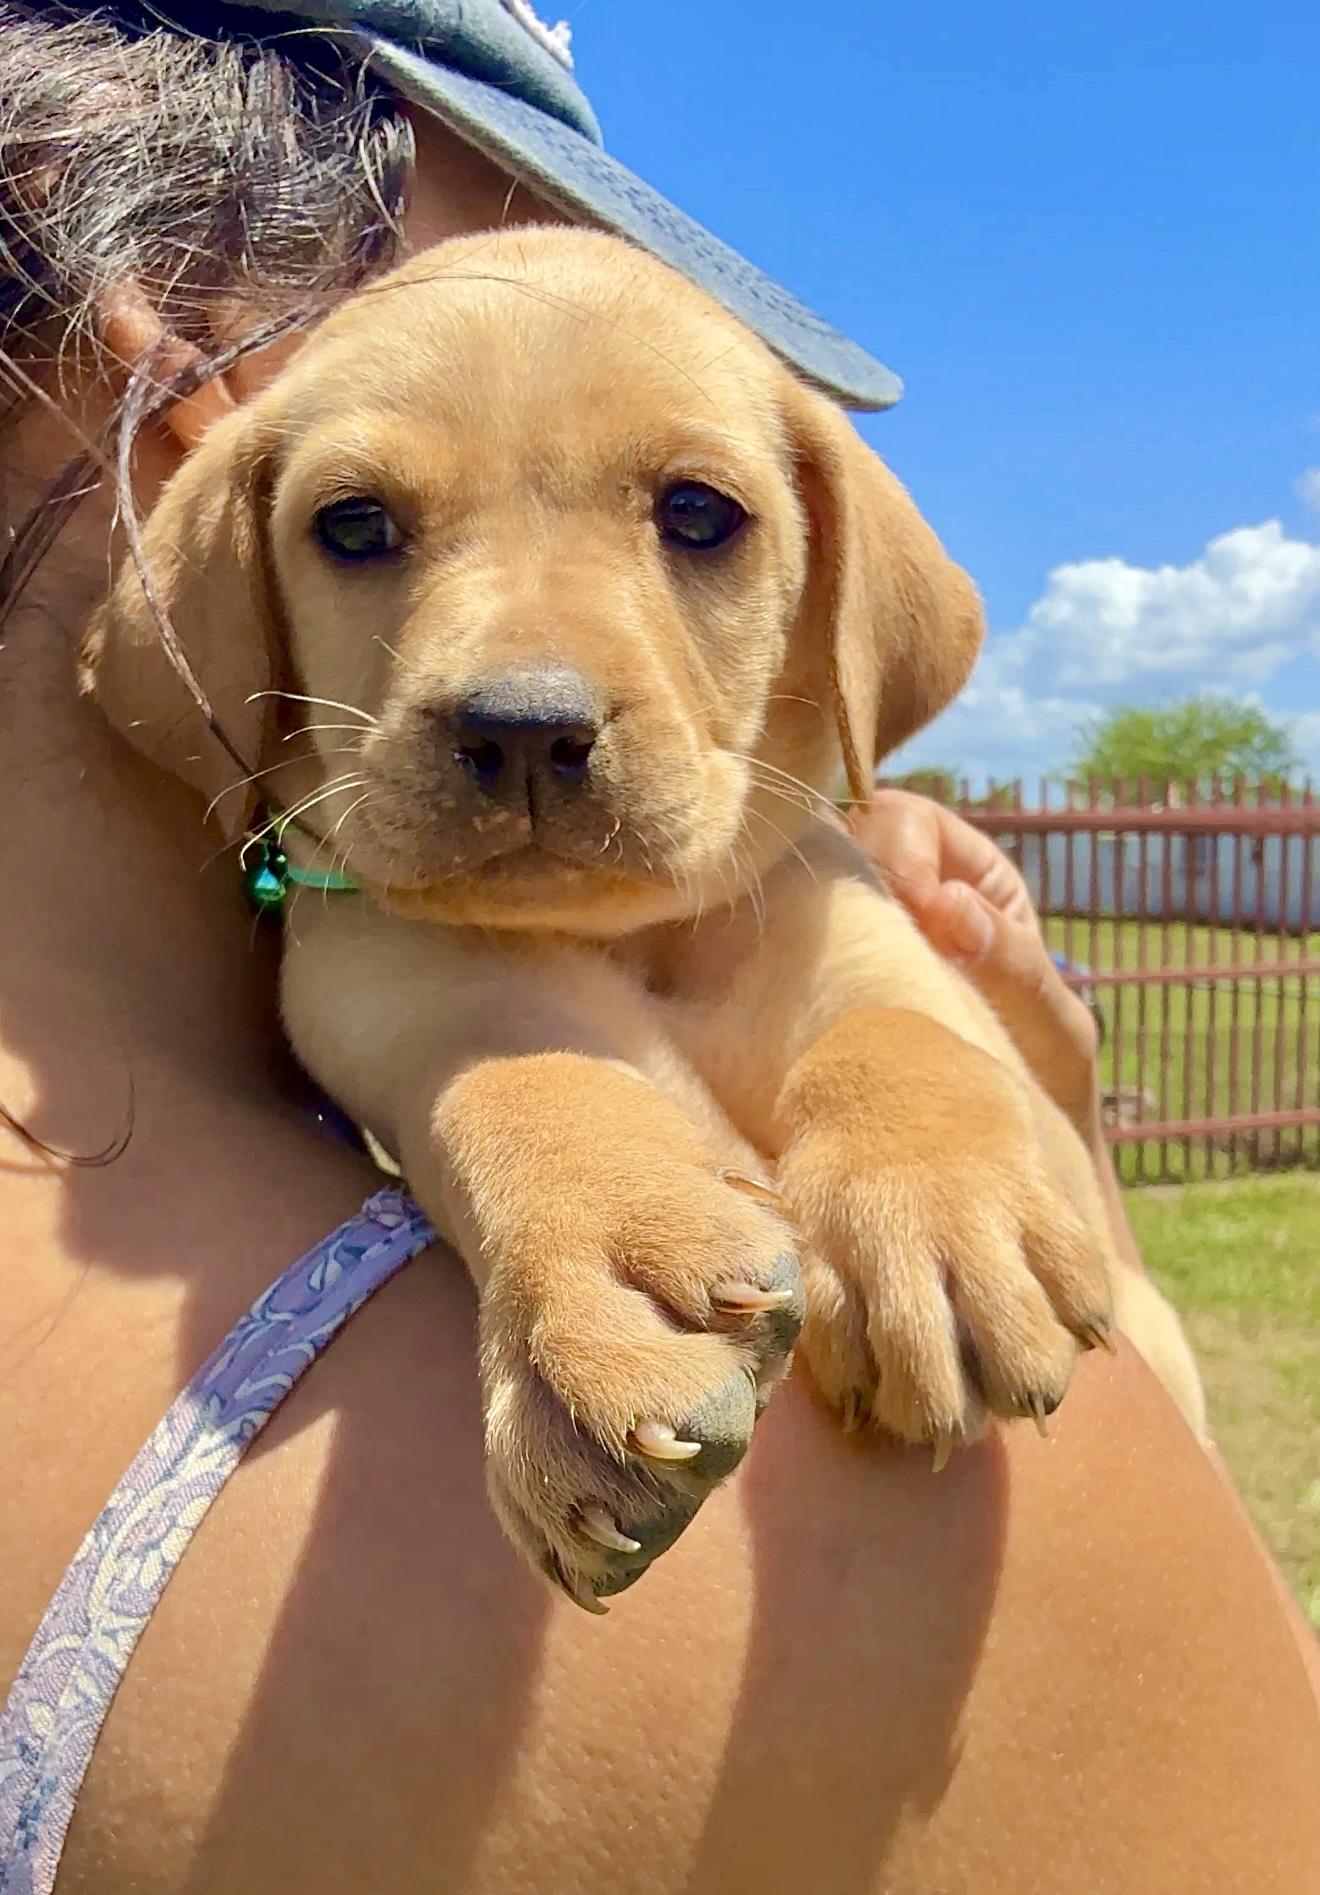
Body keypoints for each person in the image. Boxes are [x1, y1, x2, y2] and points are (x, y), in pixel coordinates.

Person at [1, 4, 1317, 1890]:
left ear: (838, 611)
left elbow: (857, 1008)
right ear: (178, 423)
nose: (528, 679)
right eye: (368, 520)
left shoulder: (799, 868)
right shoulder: (345, 918)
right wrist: (559, 1182)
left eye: (693, 516)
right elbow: (418, 1023)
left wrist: (988, 1102)